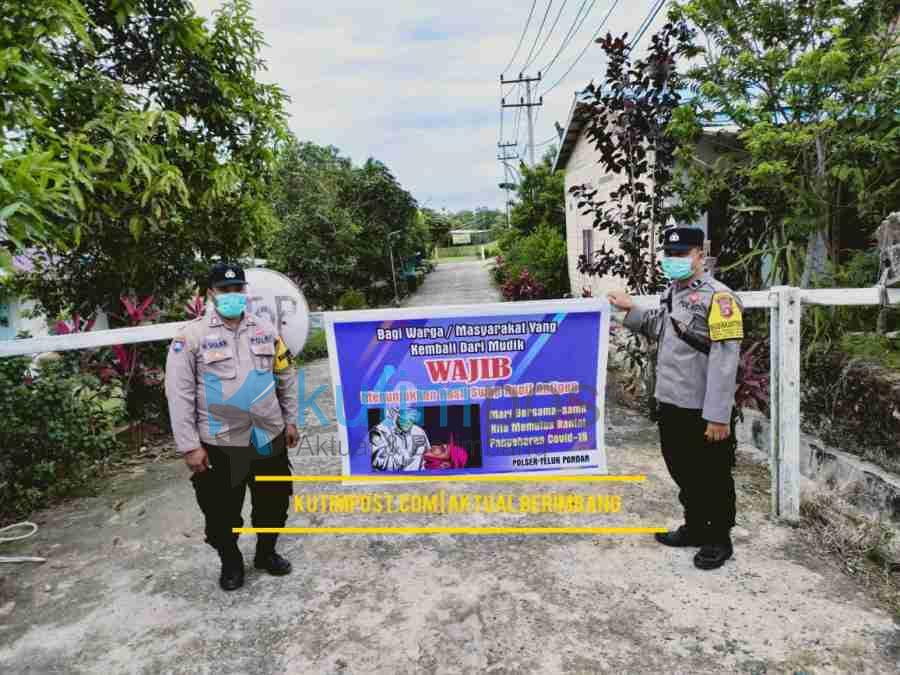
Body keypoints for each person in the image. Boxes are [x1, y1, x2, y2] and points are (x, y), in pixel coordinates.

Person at [607, 227, 743, 570]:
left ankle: (717, 538)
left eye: (682, 254)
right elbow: (662, 328)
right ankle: (695, 527)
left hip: (702, 406)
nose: (674, 260)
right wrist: (630, 310)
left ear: (700, 254)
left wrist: (718, 416)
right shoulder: (674, 291)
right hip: (671, 401)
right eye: (670, 255)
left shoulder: (720, 298)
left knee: (711, 475)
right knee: (681, 468)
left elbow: (726, 360)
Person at [165, 262, 300, 591]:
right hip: (219, 443)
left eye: (238, 289)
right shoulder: (190, 337)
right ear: (211, 293)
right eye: (225, 290)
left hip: (268, 437)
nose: (233, 295)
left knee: (274, 502)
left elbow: (285, 376)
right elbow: (178, 394)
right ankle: (231, 561)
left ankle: (266, 553)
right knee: (221, 513)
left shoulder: (266, 331)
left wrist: (291, 420)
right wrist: (189, 446)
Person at [369, 407, 430, 471]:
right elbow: (379, 463)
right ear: (396, 414)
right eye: (405, 417)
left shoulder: (419, 431)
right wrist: (409, 453)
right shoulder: (380, 432)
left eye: (412, 418)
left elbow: (427, 458)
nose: (409, 422)